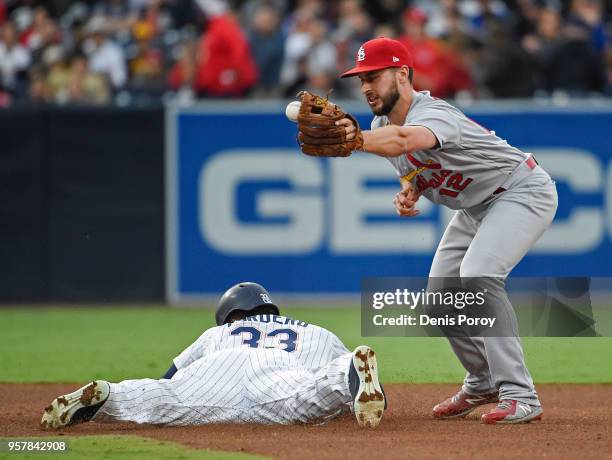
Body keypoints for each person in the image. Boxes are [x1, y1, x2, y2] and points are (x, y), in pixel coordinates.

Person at [332, 37, 557, 424]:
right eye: (361, 78)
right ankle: (483, 380)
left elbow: (406, 140)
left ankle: (521, 394)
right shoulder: (381, 124)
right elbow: (414, 170)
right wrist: (409, 192)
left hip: (520, 190)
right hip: (475, 208)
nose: (366, 87)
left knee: (479, 275)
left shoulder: (434, 112)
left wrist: (353, 140)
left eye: (374, 76)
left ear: (402, 74)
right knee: (439, 301)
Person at [41, 282, 386, 428]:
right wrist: (347, 389)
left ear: (231, 314)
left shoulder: (218, 333)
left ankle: (110, 394)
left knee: (160, 400)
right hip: (279, 369)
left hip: (214, 370)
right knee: (304, 400)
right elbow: (350, 405)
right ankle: (346, 371)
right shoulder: (316, 332)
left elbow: (168, 379)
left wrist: (169, 391)